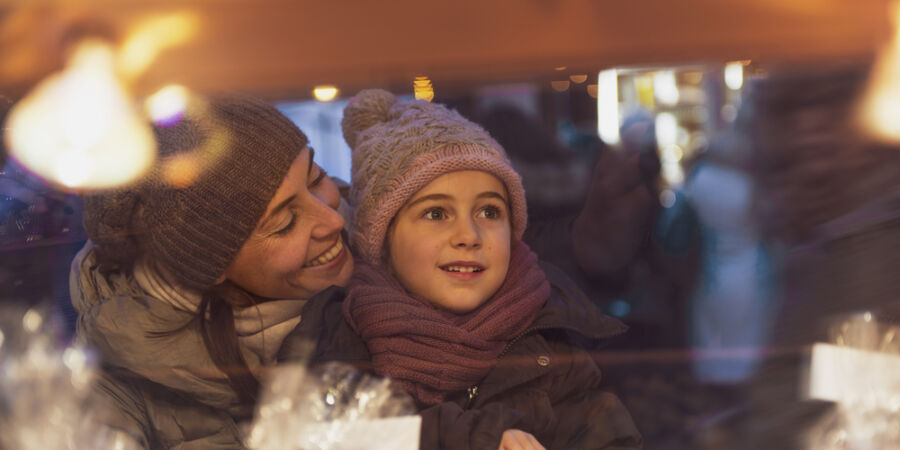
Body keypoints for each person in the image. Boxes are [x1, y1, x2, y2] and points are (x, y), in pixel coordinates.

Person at [284, 89, 642, 450]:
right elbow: (329, 440)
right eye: (436, 214)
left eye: (489, 212)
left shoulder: (554, 336)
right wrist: (472, 439)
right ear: (383, 237)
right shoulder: (338, 339)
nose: (469, 236)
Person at [70, 94, 354, 448]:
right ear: (211, 264)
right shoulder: (117, 389)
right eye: (284, 223)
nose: (335, 219)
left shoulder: (394, 241)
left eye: (316, 178)